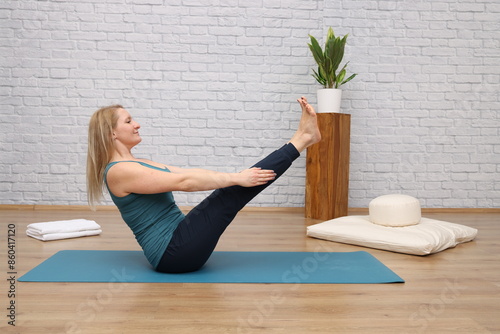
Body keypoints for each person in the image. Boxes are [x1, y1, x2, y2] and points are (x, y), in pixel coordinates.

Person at [86, 97, 321, 273]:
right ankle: (302, 139)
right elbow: (184, 182)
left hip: (180, 240)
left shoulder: (139, 163)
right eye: (128, 121)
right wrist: (236, 178)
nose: (137, 124)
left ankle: (303, 139)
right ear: (112, 133)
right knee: (231, 195)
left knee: (230, 192)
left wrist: (235, 176)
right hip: (173, 254)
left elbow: (187, 173)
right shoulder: (119, 171)